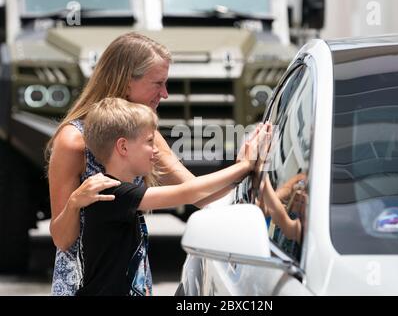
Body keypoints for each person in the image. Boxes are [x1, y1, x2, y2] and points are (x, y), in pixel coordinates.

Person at [46, 32, 236, 296]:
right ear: (126, 83)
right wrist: (76, 201)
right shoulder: (73, 141)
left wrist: (266, 194)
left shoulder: (145, 134)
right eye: (157, 83)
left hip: (131, 281)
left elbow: (197, 193)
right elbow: (62, 238)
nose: (165, 94)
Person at [76, 97, 260, 296]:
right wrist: (243, 166)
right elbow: (188, 193)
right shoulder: (112, 193)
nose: (156, 150)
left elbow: (197, 192)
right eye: (149, 142)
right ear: (123, 147)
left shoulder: (117, 191)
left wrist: (240, 177)